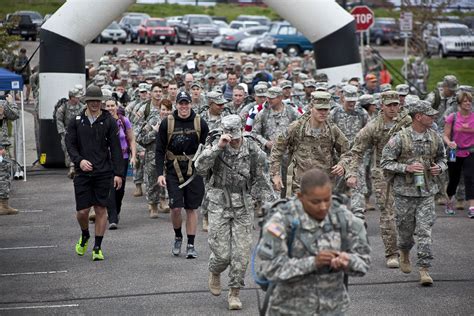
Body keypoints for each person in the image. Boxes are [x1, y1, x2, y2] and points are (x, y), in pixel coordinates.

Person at [256, 168, 371, 315]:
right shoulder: (281, 221)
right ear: (300, 197)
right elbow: (270, 269)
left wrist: (347, 261)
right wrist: (313, 263)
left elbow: (363, 262)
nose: (323, 207)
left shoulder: (343, 218)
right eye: (315, 202)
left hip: (333, 309)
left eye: (327, 199)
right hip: (289, 309)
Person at [194, 115, 275, 310]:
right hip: (219, 202)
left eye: (237, 136)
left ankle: (234, 292)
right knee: (222, 254)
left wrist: (268, 205)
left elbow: (261, 176)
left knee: (241, 253)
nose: (235, 140)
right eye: (231, 136)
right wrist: (218, 147)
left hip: (243, 205)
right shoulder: (214, 145)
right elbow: (199, 168)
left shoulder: (251, 148)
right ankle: (215, 270)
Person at [381, 100, 447, 286]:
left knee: (425, 230)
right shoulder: (399, 138)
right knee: (405, 232)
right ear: (418, 117)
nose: (433, 116)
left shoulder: (435, 137)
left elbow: (443, 158)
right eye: (429, 114)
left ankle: (424, 269)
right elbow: (385, 163)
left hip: (427, 192)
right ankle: (404, 251)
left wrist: (439, 168)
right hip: (404, 193)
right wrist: (406, 167)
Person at [346, 91, 412, 268]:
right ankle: (392, 253)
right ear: (381, 106)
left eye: (395, 105)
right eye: (389, 105)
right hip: (383, 174)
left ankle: (406, 249)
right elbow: (357, 150)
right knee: (388, 213)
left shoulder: (407, 122)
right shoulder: (374, 126)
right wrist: (352, 173)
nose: (392, 108)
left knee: (406, 214)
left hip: (407, 173)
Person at [66, 85, 123, 261]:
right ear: (86, 102)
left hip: (103, 172)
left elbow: (116, 148)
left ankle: (97, 247)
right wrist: (79, 161)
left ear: (102, 102)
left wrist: (118, 173)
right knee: (82, 212)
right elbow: (70, 144)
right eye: (92, 101)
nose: (95, 104)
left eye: (98, 101)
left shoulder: (109, 121)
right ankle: (85, 235)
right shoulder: (76, 120)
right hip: (82, 173)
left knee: (100, 209)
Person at [156, 91, 209, 259]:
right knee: (176, 208)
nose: (184, 106)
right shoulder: (167, 123)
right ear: (176, 104)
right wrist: (160, 174)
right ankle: (178, 236)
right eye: (181, 103)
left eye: (187, 103)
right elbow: (159, 150)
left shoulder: (200, 122)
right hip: (173, 171)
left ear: (191, 104)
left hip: (194, 171)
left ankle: (191, 244)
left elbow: (208, 149)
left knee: (192, 208)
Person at [270, 91, 349, 196]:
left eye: (326, 109)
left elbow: (347, 151)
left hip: (324, 183)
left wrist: (342, 164)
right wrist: (275, 175)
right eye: (319, 109)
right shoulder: (297, 127)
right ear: (311, 108)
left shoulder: (332, 130)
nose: (323, 113)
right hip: (300, 184)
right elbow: (277, 148)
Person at [103, 97, 137, 229]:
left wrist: (133, 156)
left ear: (116, 107)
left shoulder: (124, 121)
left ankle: (116, 211)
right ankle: (112, 218)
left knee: (120, 189)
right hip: (107, 159)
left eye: (112, 105)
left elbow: (131, 139)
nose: (110, 108)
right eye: (108, 106)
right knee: (110, 187)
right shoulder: (102, 121)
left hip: (122, 158)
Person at [137, 99, 173, 218]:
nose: (166, 112)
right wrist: (154, 132)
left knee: (168, 181)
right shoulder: (152, 121)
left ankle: (164, 201)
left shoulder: (174, 122)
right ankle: (153, 205)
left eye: (168, 110)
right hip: (152, 158)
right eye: (163, 109)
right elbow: (141, 140)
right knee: (153, 183)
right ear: (159, 110)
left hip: (169, 158)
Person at [443, 91, 474, 217]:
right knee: (454, 179)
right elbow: (445, 134)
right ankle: (449, 202)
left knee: (470, 178)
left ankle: (472, 207)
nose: (468, 103)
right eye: (465, 101)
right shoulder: (453, 117)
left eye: (469, 101)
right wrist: (449, 142)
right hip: (454, 152)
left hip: (471, 151)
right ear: (459, 103)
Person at [55, 88, 85, 179]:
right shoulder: (63, 107)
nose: (78, 99)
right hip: (67, 132)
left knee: (79, 149)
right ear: (71, 97)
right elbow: (59, 119)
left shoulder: (82, 107)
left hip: (79, 131)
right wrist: (63, 132)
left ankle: (74, 168)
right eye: (77, 97)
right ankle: (72, 167)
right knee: (67, 150)